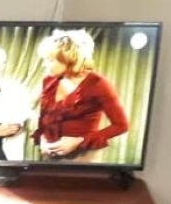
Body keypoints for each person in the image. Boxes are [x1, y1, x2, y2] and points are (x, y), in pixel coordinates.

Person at [33, 29, 129, 163]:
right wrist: (43, 140)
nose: (44, 64)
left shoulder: (98, 84)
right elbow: (44, 118)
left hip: (83, 157)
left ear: (69, 60)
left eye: (49, 60)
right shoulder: (48, 81)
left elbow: (121, 125)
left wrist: (79, 141)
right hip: (49, 156)